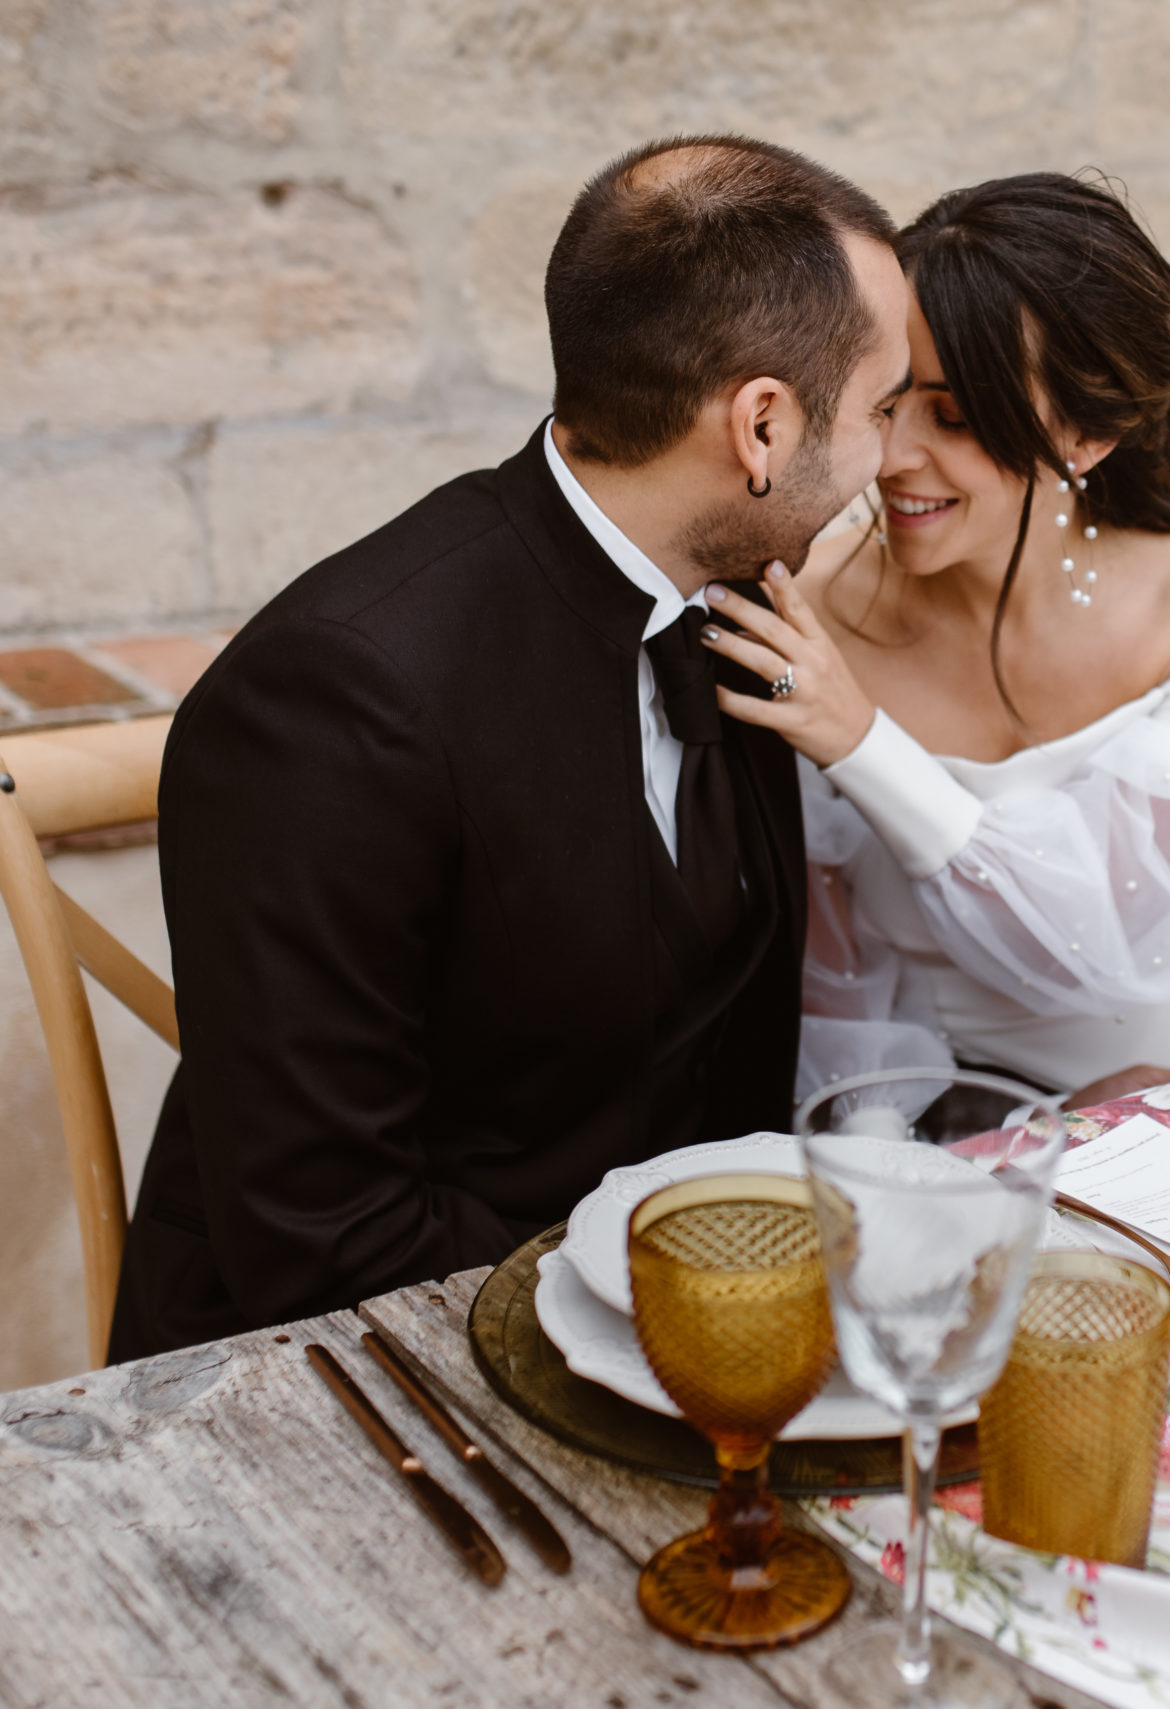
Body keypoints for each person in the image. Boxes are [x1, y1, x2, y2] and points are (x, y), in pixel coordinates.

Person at [107, 136, 914, 1359]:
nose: (891, 458)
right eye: (882, 410)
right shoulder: (336, 699)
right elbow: (321, 1231)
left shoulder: (732, 597)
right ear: (761, 426)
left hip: (682, 1315)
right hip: (361, 1372)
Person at [694, 172, 1170, 1108]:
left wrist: (860, 742)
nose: (893, 459)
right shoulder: (804, 603)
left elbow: (1097, 945)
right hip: (930, 1112)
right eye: (887, 404)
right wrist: (875, 1153)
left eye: (958, 417)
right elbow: (823, 956)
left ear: (1087, 435)